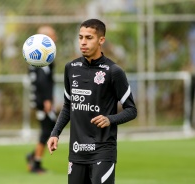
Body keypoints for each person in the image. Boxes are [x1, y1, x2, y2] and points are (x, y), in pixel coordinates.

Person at [47, 19, 137, 184]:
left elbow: (131, 109)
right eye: (80, 37)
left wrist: (110, 119)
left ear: (101, 40)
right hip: (77, 151)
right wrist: (55, 133)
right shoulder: (71, 68)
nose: (83, 42)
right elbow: (68, 105)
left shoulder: (114, 72)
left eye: (89, 38)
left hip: (103, 150)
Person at [26, 25, 57, 173]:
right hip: (41, 100)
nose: (55, 39)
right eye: (52, 36)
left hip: (38, 99)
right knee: (47, 130)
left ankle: (33, 156)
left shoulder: (34, 53)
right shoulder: (44, 55)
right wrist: (47, 100)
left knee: (49, 128)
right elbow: (42, 80)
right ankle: (35, 162)